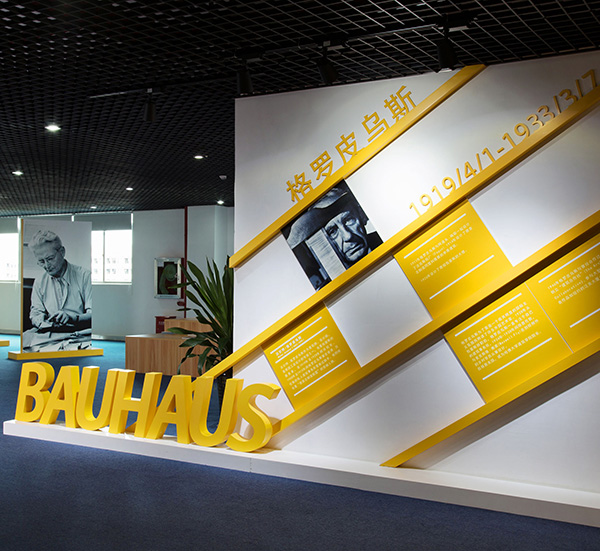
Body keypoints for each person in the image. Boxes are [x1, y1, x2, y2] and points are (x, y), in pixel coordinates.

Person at [284, 183, 382, 289]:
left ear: (361, 215)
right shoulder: (327, 290)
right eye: (332, 231)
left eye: (349, 220)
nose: (348, 236)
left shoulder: (386, 241)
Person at [24, 230, 92, 352]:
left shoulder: (85, 276)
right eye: (41, 261)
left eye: (50, 259)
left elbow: (94, 314)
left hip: (79, 333)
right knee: (24, 340)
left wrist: (72, 318)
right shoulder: (39, 281)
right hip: (50, 334)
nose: (46, 265)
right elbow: (35, 313)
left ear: (62, 252)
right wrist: (41, 320)